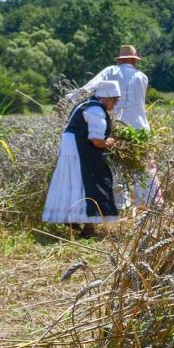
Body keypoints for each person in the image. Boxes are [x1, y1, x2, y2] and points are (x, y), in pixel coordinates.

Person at [76, 45, 160, 208]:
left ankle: (121, 205)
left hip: (116, 128)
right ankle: (148, 204)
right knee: (144, 167)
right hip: (140, 129)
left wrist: (70, 99)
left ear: (120, 60)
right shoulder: (142, 77)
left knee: (115, 168)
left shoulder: (110, 71)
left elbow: (88, 88)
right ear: (134, 61)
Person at [43, 80, 122, 238]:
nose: (115, 104)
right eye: (114, 100)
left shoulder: (87, 104)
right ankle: (84, 224)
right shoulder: (96, 110)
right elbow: (96, 140)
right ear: (106, 97)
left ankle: (80, 222)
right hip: (79, 149)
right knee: (89, 183)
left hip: (74, 148)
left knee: (74, 183)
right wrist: (109, 143)